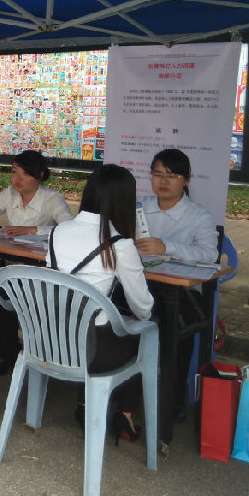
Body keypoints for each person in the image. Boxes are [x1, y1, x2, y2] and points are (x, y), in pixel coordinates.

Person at [47, 164, 154, 442]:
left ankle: (85, 404)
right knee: (141, 335)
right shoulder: (121, 244)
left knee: (110, 327)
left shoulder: (57, 232)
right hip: (93, 351)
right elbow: (143, 308)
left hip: (50, 341)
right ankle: (125, 414)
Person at [0, 149, 73, 374]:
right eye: (15, 171)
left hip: (41, 266)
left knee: (9, 290)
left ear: (40, 175)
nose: (18, 179)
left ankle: (8, 350)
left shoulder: (52, 198)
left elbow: (69, 228)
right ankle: (1, 349)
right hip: (11, 261)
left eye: (25, 174)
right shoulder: (10, 194)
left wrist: (34, 230)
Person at [136, 148, 219, 422]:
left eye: (171, 176)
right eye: (157, 174)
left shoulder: (198, 216)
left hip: (180, 291)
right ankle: (126, 390)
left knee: (177, 322)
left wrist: (167, 247)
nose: (163, 181)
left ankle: (174, 394)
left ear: (186, 179)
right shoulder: (140, 206)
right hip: (142, 283)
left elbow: (210, 255)